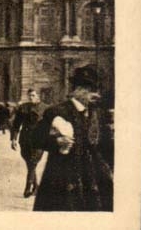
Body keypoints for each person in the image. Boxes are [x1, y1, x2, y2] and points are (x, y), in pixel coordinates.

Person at [33, 66, 113, 212]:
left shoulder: (98, 113)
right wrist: (56, 142)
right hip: (62, 175)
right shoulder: (57, 111)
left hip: (94, 175)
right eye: (92, 90)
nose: (96, 95)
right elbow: (36, 138)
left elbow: (106, 144)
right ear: (79, 90)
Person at [11, 89, 48, 198]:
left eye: (33, 95)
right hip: (25, 140)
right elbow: (16, 124)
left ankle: (27, 188)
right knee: (30, 163)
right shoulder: (23, 108)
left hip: (39, 140)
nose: (31, 97)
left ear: (38, 97)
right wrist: (13, 139)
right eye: (29, 96)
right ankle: (36, 187)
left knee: (32, 162)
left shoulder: (45, 108)